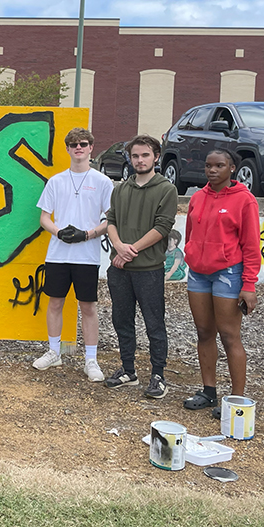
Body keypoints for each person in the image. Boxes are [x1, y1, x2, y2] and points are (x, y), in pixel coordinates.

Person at [181, 149, 261, 419]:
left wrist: (248, 284)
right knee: (204, 332)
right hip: (198, 274)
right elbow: (190, 234)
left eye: (219, 165)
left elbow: (251, 246)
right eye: (208, 165)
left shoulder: (245, 201)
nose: (212, 170)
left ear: (232, 168)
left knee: (229, 336)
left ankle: (236, 399)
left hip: (228, 273)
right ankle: (208, 391)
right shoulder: (197, 197)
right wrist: (191, 255)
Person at [32, 127, 114, 381]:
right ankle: (54, 352)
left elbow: (111, 218)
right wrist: (58, 233)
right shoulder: (56, 181)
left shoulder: (102, 182)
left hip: (87, 255)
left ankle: (91, 359)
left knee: (88, 306)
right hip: (58, 254)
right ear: (67, 149)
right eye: (73, 144)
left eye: (83, 144)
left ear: (91, 147)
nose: (78, 148)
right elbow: (44, 217)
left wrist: (88, 234)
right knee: (55, 302)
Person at [104, 135, 178, 398]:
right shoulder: (121, 189)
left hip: (148, 270)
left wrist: (129, 251)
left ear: (156, 157)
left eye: (145, 155)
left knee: (154, 324)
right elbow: (110, 220)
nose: (140, 160)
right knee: (122, 320)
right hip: (120, 270)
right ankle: (128, 370)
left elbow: (162, 227)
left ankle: (158, 375)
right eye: (135, 156)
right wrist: (118, 246)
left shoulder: (166, 189)